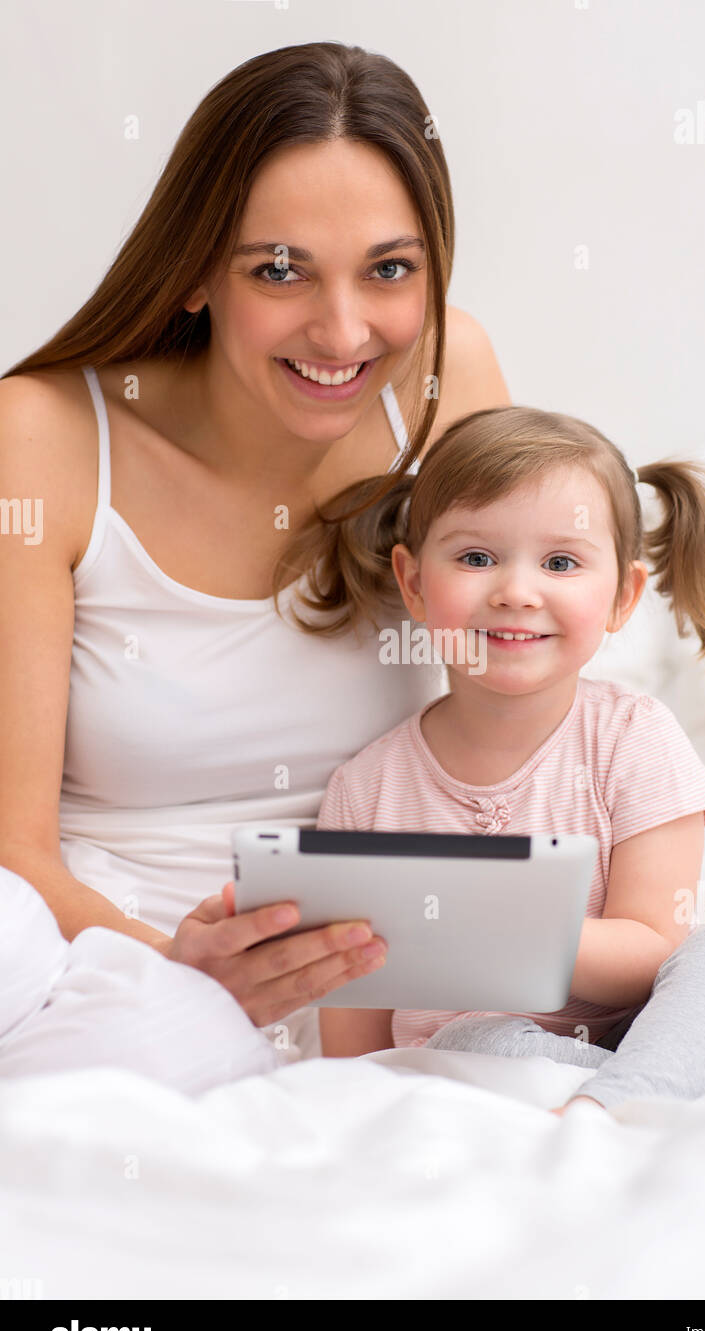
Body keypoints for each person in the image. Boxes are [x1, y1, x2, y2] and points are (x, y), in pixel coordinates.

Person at [0, 42, 509, 1085]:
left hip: (377, 962)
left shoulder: (446, 382)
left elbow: (526, 705)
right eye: (278, 270)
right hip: (102, 950)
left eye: (389, 268)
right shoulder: (42, 438)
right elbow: (14, 852)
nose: (342, 330)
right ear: (193, 267)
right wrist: (185, 975)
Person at [312, 403, 705, 1115]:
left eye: (561, 562)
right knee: (477, 1035)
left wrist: (505, 923)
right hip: (480, 1058)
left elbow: (653, 949)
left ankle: (619, 1102)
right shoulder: (367, 788)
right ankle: (618, 1103)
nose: (515, 591)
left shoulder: (634, 736)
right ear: (413, 583)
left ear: (623, 596)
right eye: (476, 558)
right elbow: (352, 1020)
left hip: (636, 1036)